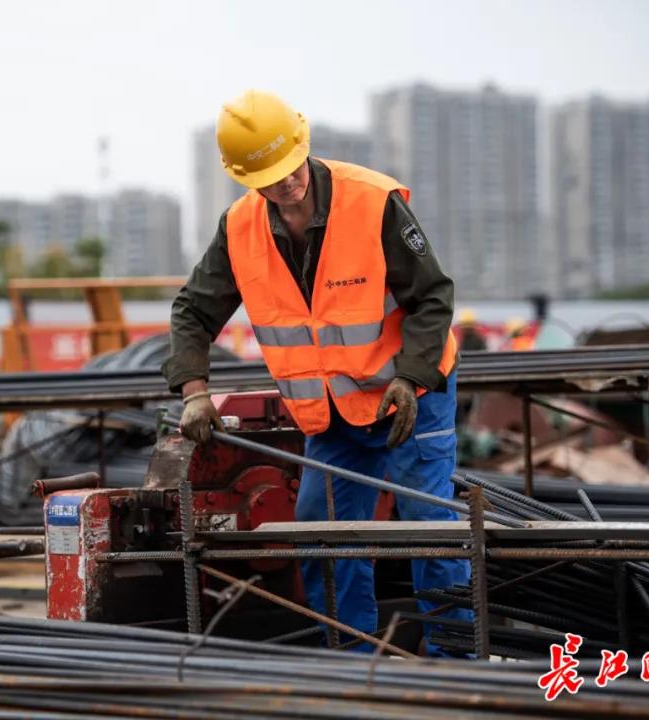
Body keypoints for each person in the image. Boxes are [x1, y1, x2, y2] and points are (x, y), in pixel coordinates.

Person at [162, 90, 470, 654]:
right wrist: (194, 391)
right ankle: (352, 658)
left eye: (291, 167)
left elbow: (432, 298)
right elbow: (193, 309)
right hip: (331, 414)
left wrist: (411, 378)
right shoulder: (240, 229)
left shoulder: (372, 202)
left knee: (430, 525)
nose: (288, 183)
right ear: (246, 179)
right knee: (322, 530)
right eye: (270, 177)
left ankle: (455, 663)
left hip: (409, 395)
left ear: (304, 146)